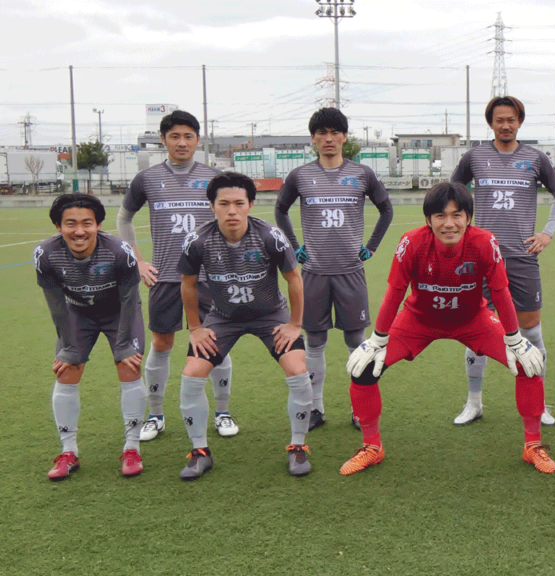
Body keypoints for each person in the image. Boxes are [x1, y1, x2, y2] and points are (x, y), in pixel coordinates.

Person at [342, 182, 554, 476]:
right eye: (440, 216)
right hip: (419, 320)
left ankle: (532, 445)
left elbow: (501, 291)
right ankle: (372, 447)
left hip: (472, 320)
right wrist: (378, 338)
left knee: (527, 364)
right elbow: (395, 291)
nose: (449, 223)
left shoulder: (484, 241)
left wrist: (514, 337)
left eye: (457, 215)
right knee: (363, 369)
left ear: (469, 217)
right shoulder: (412, 242)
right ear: (428, 220)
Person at [177, 173, 313, 480]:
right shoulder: (197, 240)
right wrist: (195, 328)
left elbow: (294, 278)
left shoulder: (270, 236)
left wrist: (294, 324)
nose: (232, 211)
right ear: (211, 205)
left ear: (250, 204)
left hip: (270, 316)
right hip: (222, 316)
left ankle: (298, 447)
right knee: (191, 374)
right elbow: (187, 285)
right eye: (223, 204)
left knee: (297, 369)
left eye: (239, 203)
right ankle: (199, 452)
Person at [118, 110, 237, 441]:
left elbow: (232, 216)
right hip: (167, 277)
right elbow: (124, 218)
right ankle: (155, 415)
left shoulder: (214, 178)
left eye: (188, 136)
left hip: (210, 278)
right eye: (175, 136)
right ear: (163, 139)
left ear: (198, 140)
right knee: (162, 342)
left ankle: (223, 411)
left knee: (216, 343)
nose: (182, 142)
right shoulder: (147, 179)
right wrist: (138, 261)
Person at [450, 95, 555, 426]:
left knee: (531, 332)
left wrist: (547, 232)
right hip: (480, 259)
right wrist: (460, 229)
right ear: (491, 123)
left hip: (522, 258)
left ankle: (539, 401)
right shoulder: (474, 157)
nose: (506, 125)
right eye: (500, 120)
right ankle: (474, 402)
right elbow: (452, 193)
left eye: (512, 119)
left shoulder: (535, 158)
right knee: (476, 332)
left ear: (520, 122)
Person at [276, 108, 393, 432]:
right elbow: (281, 210)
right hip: (313, 272)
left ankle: (360, 409)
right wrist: (293, 245)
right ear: (313, 138)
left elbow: (386, 210)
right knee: (314, 341)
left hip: (350, 272)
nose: (328, 138)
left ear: (344, 136)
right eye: (321, 133)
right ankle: (316, 408)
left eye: (335, 132)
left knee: (357, 340)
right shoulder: (300, 175)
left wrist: (371, 246)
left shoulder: (362, 173)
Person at [36, 194, 147, 480]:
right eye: (70, 223)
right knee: (67, 370)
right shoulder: (45, 254)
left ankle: (132, 447)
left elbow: (129, 299)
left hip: (118, 312)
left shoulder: (120, 251)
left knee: (129, 365)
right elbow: (56, 305)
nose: (79, 231)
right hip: (77, 313)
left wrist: (123, 345)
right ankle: (68, 451)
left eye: (87, 223)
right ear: (58, 226)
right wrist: (69, 348)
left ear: (98, 224)